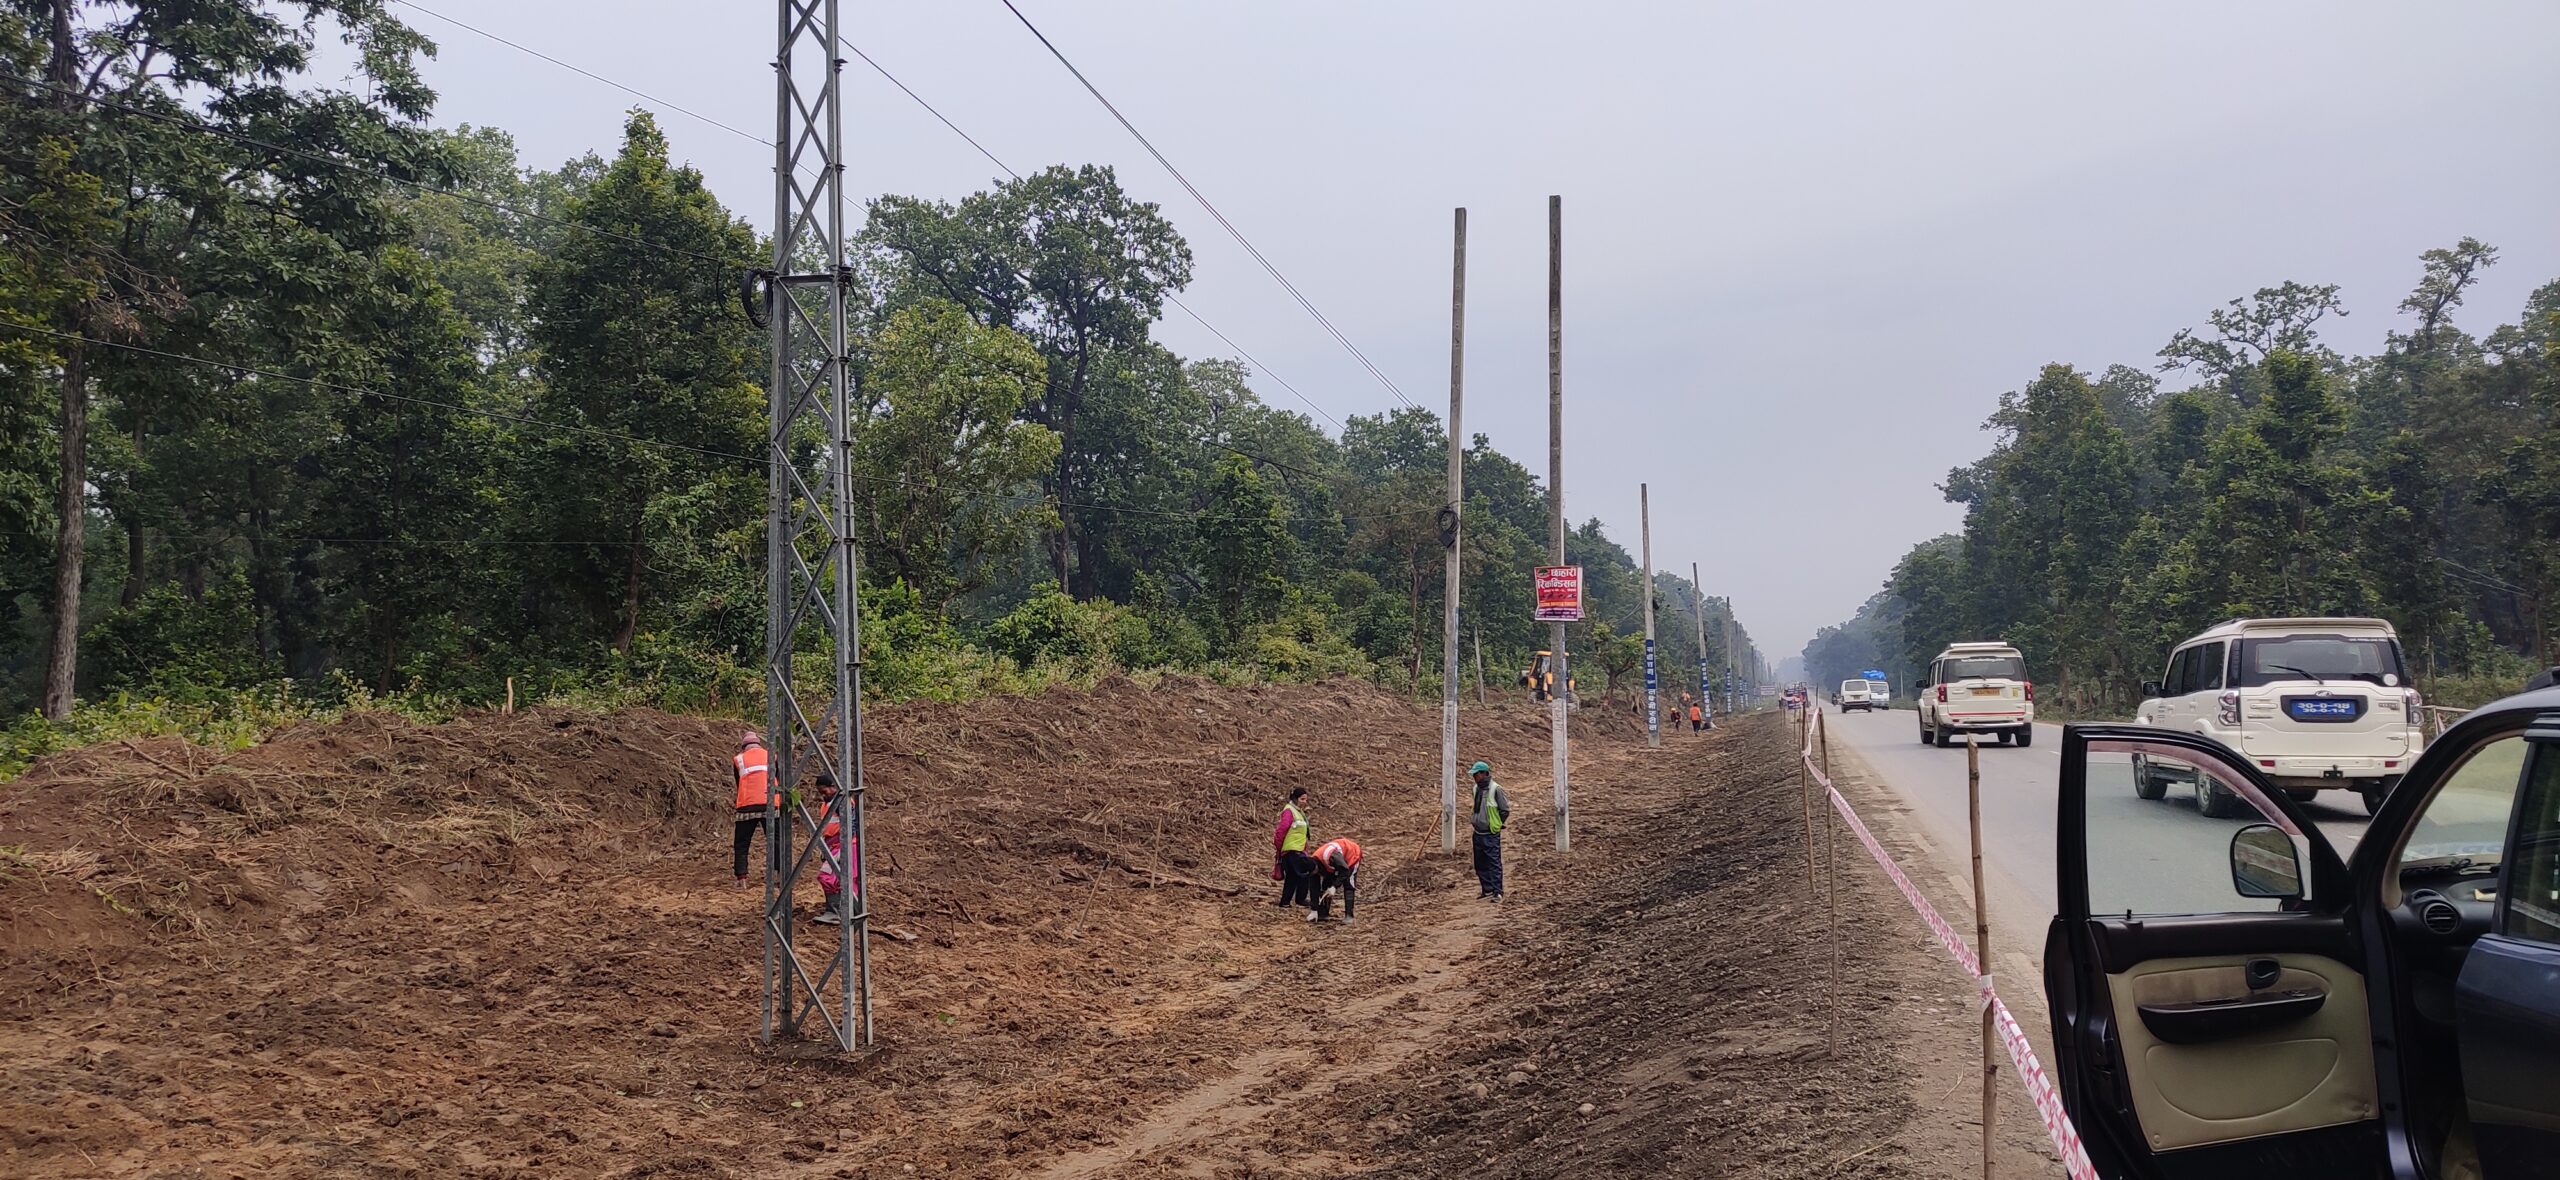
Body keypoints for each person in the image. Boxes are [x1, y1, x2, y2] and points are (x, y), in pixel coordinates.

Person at [809, 772, 858, 925]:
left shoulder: (842, 802)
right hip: (833, 845)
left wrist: (845, 847)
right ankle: (849, 910)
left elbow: (851, 825)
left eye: (825, 791)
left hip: (845, 845)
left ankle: (835, 911)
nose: (823, 795)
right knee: (842, 879)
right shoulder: (828, 804)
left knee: (829, 877)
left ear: (833, 786)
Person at [731, 731, 771, 887]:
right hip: (769, 803)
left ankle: (742, 878)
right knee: (775, 839)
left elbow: (738, 782)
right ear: (759, 744)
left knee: (741, 842)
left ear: (743, 746)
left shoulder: (739, 759)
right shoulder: (770, 755)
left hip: (746, 806)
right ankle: (779, 873)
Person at [1469, 761, 1509, 901]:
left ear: (1484, 773)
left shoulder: (1496, 789)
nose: (1475, 777)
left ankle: (1497, 892)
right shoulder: (1476, 789)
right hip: (1478, 832)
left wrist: (1498, 824)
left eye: (1476, 774)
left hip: (1491, 833)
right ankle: (1487, 890)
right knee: (1480, 863)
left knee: (1493, 862)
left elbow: (1504, 810)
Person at [1272, 787, 1317, 909]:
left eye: (1306, 799)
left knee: (1291, 877)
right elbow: (1281, 830)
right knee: (1308, 868)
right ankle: (1301, 899)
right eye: (1302, 799)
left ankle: (1285, 902)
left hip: (1296, 849)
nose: (1304, 802)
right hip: (1292, 850)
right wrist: (1279, 847)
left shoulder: (1298, 812)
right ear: (1295, 798)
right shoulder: (1289, 811)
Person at [1306, 837, 1362, 922]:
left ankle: (1349, 916)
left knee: (1348, 884)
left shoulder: (1330, 856)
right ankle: (1322, 914)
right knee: (1326, 885)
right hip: (1335, 864)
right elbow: (1314, 888)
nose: (1315, 875)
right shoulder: (1311, 866)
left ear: (1316, 867)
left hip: (1351, 855)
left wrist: (1334, 886)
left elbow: (1345, 871)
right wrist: (1314, 910)